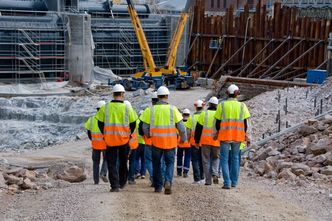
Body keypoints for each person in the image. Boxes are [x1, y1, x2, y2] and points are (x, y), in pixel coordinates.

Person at [140, 86, 187, 194]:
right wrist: (183, 139)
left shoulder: (150, 110)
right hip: (170, 143)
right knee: (170, 163)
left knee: (156, 164)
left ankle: (158, 187)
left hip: (156, 143)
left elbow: (144, 127)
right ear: (167, 96)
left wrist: (148, 135)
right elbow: (181, 127)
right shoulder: (173, 109)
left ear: (158, 96)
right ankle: (168, 182)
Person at [95, 84, 138, 192]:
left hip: (110, 140)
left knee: (112, 163)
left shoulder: (105, 107)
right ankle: (122, 183)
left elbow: (100, 123)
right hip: (123, 140)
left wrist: (105, 134)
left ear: (113, 94)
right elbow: (133, 124)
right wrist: (128, 135)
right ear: (123, 94)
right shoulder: (127, 108)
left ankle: (114, 186)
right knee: (123, 162)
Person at [214, 84, 251, 189]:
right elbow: (246, 123)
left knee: (224, 159)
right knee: (235, 158)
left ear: (227, 93)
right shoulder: (242, 106)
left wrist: (215, 133)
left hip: (224, 136)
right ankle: (234, 182)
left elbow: (217, 122)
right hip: (238, 136)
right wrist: (247, 137)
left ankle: (227, 183)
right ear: (237, 94)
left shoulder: (222, 105)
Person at [194, 97, 220, 185]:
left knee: (206, 161)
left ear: (209, 104)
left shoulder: (204, 114)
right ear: (217, 105)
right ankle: (215, 173)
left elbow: (198, 129)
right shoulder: (219, 114)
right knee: (216, 158)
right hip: (216, 142)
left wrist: (196, 141)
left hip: (205, 142)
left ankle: (208, 181)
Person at [84, 101, 108, 184]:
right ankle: (103, 173)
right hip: (105, 144)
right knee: (106, 159)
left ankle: (96, 180)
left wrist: (93, 139)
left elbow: (89, 132)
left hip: (95, 144)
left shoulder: (91, 119)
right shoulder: (106, 119)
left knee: (95, 162)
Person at [186, 100, 205, 184]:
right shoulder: (205, 116)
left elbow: (188, 131)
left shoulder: (191, 117)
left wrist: (188, 139)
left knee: (195, 160)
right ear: (203, 107)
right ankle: (202, 178)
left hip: (194, 143)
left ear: (196, 107)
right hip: (204, 142)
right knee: (202, 160)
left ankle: (197, 179)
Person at [126, 101, 139, 185]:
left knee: (122, 161)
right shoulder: (134, 115)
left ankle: (123, 177)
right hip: (133, 144)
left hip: (123, 143)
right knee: (132, 161)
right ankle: (131, 179)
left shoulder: (121, 115)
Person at [176, 108, 191, 178]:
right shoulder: (190, 122)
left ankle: (179, 171)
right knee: (187, 157)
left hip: (180, 143)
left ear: (182, 115)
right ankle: (185, 172)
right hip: (188, 143)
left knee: (179, 157)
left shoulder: (180, 123)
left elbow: (176, 133)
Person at [135, 111, 146, 179]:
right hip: (144, 143)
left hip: (137, 143)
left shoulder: (136, 122)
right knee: (143, 159)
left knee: (136, 158)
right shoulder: (145, 123)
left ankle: (137, 172)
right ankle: (143, 173)